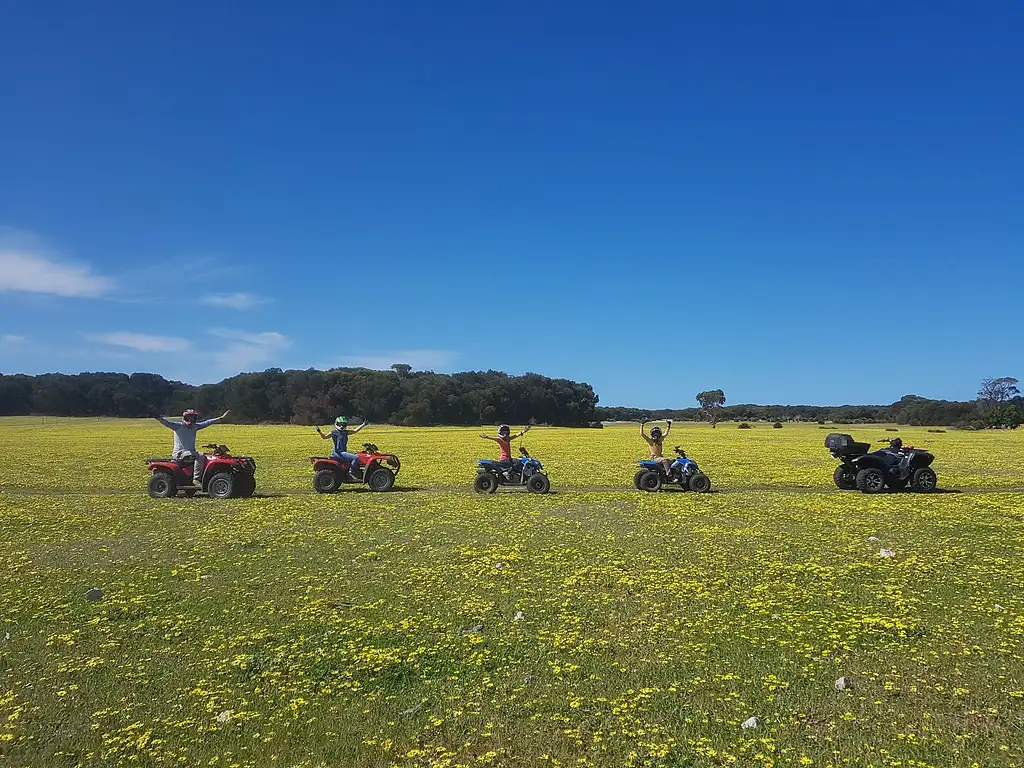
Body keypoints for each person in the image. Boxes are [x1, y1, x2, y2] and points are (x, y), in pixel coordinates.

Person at [153, 408, 231, 487]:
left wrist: (221, 418)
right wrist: (157, 417)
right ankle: (196, 479)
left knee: (208, 456)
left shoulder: (195, 427)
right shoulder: (178, 426)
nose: (190, 420)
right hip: (180, 453)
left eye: (193, 418)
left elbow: (207, 422)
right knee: (200, 456)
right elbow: (166, 423)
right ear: (184, 418)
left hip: (190, 453)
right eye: (188, 418)